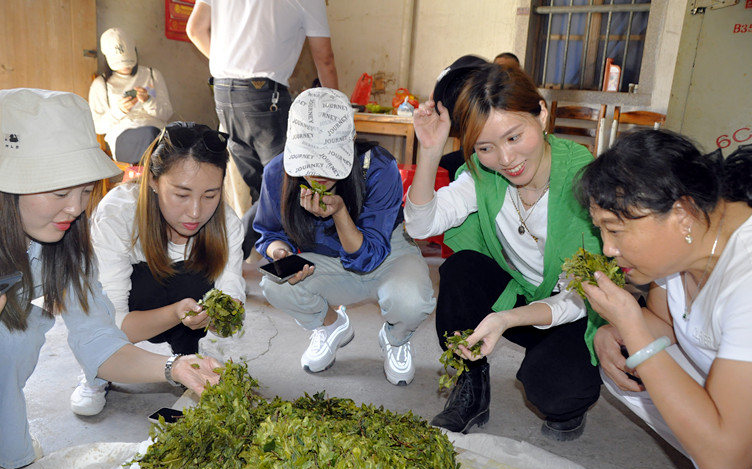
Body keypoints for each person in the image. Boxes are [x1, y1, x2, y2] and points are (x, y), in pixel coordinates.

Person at [0, 88, 222, 469]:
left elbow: (99, 340)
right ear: (4, 185)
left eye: (84, 191)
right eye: (60, 193)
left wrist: (175, 368)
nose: (76, 208)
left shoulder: (65, 239)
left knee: (15, 334)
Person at [405, 60, 604, 440]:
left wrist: (505, 320)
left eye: (514, 137)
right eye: (486, 147)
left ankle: (566, 393)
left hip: (569, 308)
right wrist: (429, 152)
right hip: (516, 295)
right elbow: (421, 225)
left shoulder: (583, 180)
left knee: (557, 391)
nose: (506, 159)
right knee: (461, 269)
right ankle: (471, 381)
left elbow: (580, 296)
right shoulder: (483, 173)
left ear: (541, 114)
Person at [577, 130, 752, 469]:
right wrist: (611, 331)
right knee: (627, 363)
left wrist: (632, 327)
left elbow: (725, 461)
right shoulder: (687, 244)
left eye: (615, 230)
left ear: (682, 213)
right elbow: (666, 323)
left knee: (720, 458)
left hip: (732, 453)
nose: (607, 249)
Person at [254, 88, 435, 386]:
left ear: (351, 140)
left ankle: (396, 338)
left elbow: (369, 256)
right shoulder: (277, 171)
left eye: (328, 159)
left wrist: (340, 213)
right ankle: (331, 326)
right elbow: (269, 232)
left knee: (412, 300)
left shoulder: (378, 167)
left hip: (385, 254)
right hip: (323, 259)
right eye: (309, 159)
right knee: (275, 283)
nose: (318, 172)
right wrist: (280, 253)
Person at [69, 122, 245, 416]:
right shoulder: (117, 214)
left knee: (196, 280)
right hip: (131, 307)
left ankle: (188, 358)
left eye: (210, 195)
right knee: (104, 317)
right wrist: (176, 312)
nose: (195, 212)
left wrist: (218, 316)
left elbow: (232, 307)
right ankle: (97, 371)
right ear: (153, 180)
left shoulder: (227, 223)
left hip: (181, 305)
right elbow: (113, 322)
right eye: (181, 194)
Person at [186, 0, 339, 259]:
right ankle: (222, 254)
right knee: (284, 187)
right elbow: (325, 58)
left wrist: (233, 68)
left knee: (261, 187)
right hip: (264, 98)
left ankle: (268, 254)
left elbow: (195, 29)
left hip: (224, 93)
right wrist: (336, 112)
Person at [88, 27, 173, 165]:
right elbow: (97, 127)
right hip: (124, 136)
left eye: (128, 60)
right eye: (119, 62)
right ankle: (152, 173)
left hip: (156, 132)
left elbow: (167, 113)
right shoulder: (101, 84)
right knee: (153, 140)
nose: (125, 66)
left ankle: (150, 173)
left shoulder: (152, 75)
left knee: (175, 136)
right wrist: (119, 111)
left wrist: (148, 101)